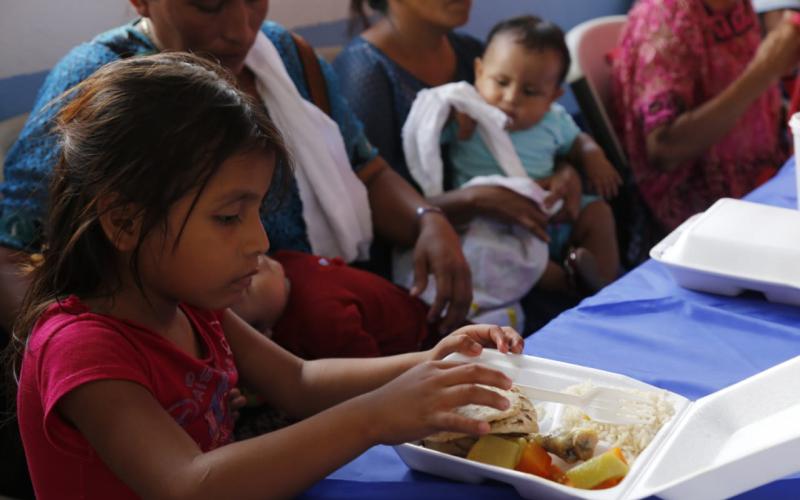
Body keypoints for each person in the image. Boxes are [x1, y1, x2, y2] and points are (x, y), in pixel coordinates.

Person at [9, 52, 524, 500]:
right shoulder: (80, 348)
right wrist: (374, 417)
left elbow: (298, 380)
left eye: (256, 212)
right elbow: (186, 484)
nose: (259, 241)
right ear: (123, 221)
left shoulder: (189, 304)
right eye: (229, 217)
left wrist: (437, 362)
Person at [0, 0, 472, 340]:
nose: (241, 29)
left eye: (254, 0)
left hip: (312, 310)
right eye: (209, 6)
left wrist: (427, 220)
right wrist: (101, 356)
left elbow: (364, 168)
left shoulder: (286, 55)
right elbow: (9, 256)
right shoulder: (104, 83)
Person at [433, 16, 620, 297]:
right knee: (502, 252)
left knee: (599, 213)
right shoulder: (468, 116)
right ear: (479, 71)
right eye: (501, 81)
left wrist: (592, 153)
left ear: (553, 97)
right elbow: (423, 133)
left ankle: (605, 287)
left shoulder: (553, 121)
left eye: (530, 91)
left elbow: (576, 142)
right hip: (495, 223)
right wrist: (448, 113)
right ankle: (569, 283)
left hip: (554, 214)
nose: (511, 97)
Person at [611, 0, 800, 233]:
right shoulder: (663, 20)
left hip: (766, 180)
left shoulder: (737, 6)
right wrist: (765, 72)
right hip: (704, 219)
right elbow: (664, 149)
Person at [232, 250, 436, 359]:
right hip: (419, 348)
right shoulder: (319, 322)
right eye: (248, 284)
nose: (256, 263)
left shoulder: (286, 260)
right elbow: (369, 375)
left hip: (420, 311)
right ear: (262, 333)